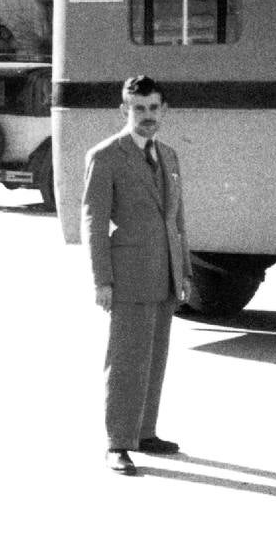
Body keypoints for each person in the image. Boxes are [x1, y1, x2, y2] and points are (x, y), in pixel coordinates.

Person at [81, 75, 193, 475]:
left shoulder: (169, 155)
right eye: (138, 108)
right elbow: (93, 223)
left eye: (153, 108)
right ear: (124, 110)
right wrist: (102, 280)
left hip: (164, 273)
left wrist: (184, 273)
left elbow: (177, 220)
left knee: (155, 357)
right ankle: (117, 442)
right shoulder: (107, 155)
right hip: (128, 274)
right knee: (127, 359)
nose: (147, 116)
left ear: (164, 110)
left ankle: (145, 433)